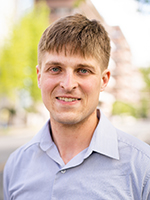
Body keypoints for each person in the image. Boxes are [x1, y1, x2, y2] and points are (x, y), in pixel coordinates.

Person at [3, 13, 150, 200]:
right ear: (40, 77)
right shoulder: (16, 165)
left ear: (104, 80)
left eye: (83, 70)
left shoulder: (143, 167)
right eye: (55, 69)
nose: (68, 84)